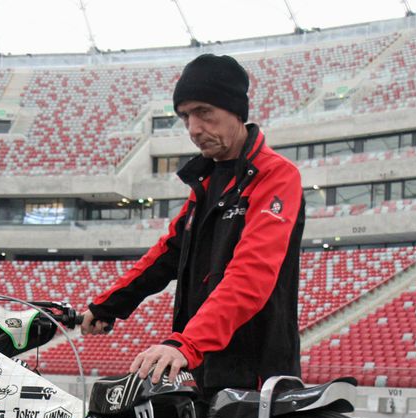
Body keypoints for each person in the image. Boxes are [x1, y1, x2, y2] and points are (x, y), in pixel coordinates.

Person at [81, 53, 305, 395]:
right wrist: (106, 306)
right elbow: (167, 253)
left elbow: (252, 275)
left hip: (257, 375)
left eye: (204, 113)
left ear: (236, 111)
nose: (193, 129)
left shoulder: (276, 175)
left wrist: (188, 343)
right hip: (202, 366)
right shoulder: (206, 182)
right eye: (185, 116)